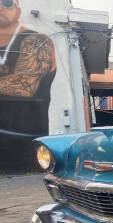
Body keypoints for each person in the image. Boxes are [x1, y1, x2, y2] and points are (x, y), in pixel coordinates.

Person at [0, 0, 56, 172]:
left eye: (7, 3)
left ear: (18, 11)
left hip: (26, 157)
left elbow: (25, 84)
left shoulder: (38, 41)